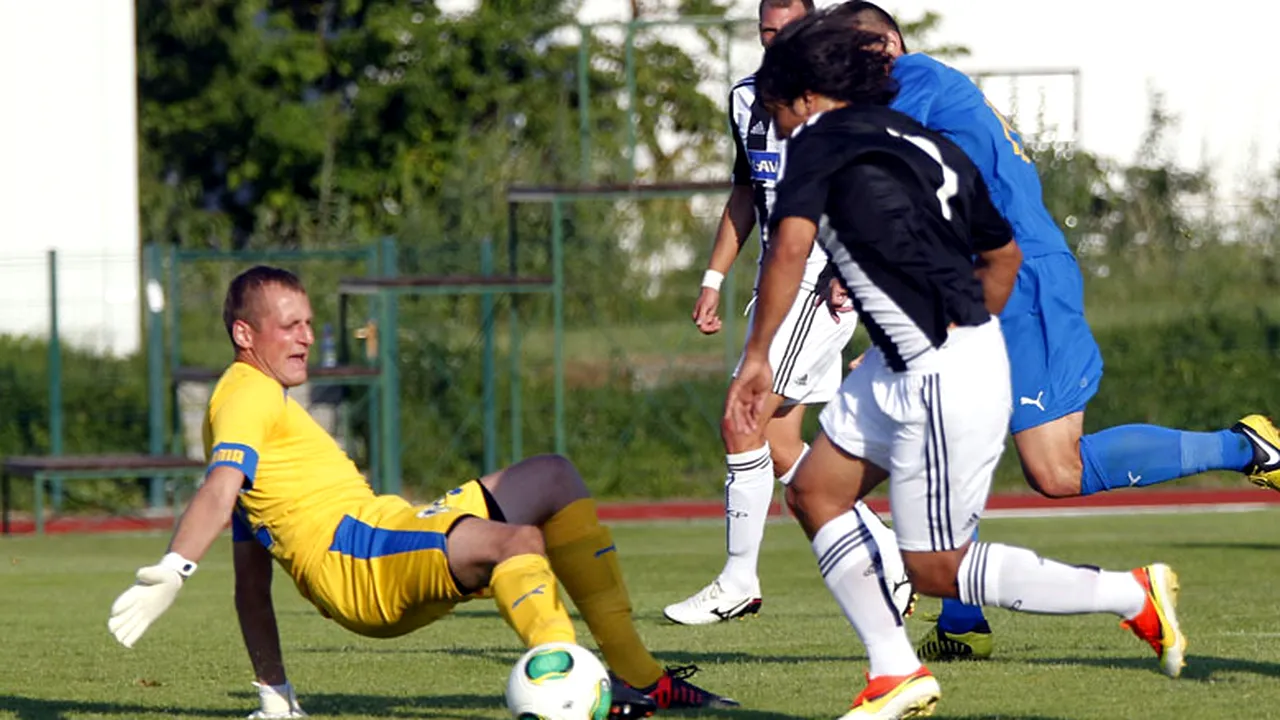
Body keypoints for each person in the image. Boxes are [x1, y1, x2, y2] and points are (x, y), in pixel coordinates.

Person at [730, 12, 1186, 718]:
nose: (776, 128)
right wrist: (954, 320)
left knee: (936, 566)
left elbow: (788, 251)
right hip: (911, 358)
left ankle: (1132, 594)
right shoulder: (920, 141)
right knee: (816, 490)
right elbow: (1000, 253)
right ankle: (895, 670)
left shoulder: (820, 144)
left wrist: (756, 357)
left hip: (937, 369)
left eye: (776, 111)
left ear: (807, 96)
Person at [826, 0, 1280, 662]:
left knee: (1057, 470)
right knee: (935, 425)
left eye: (850, 56)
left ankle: (1246, 448)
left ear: (886, 48)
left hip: (1024, 284)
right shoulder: (915, 101)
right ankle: (959, 618)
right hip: (982, 281)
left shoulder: (915, 78)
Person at [106, 266, 736, 718]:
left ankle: (638, 677)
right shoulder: (245, 393)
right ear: (246, 335)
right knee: (518, 539)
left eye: (309, 323)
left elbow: (250, 581)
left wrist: (274, 694)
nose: (305, 337)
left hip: (381, 535)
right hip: (360, 561)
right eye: (289, 325)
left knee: (552, 478)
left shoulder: (261, 409)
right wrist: (175, 566)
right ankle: (571, 694)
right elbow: (219, 488)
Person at [665, 0, 914, 628]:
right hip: (775, 279)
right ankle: (884, 548)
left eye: (788, 32)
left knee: (740, 415)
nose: (776, 43)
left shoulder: (840, 96)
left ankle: (738, 580)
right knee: (778, 445)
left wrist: (845, 265)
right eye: (766, 33)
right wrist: (713, 277)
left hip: (818, 281)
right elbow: (747, 191)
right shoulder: (747, 98)